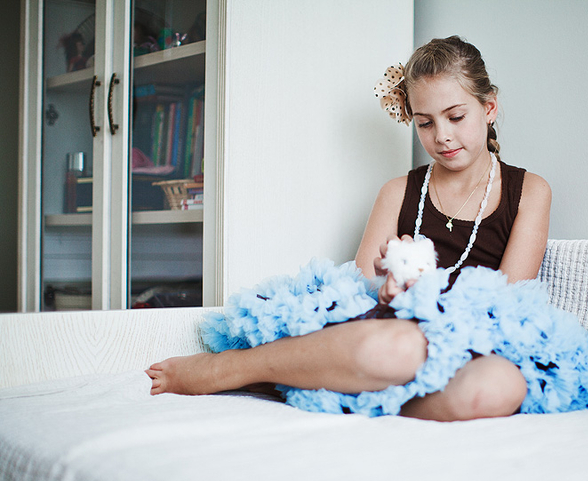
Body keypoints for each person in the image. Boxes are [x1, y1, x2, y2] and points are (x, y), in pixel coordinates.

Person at [146, 35, 552, 421]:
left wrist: (430, 295)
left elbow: (509, 302)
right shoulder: (397, 192)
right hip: (396, 336)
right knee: (400, 346)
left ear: (489, 108)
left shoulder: (529, 192)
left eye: (456, 117)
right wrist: (388, 286)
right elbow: (355, 293)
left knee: (501, 388)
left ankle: (332, 390)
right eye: (425, 123)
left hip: (477, 343)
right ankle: (232, 368)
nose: (442, 136)